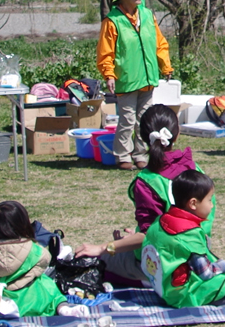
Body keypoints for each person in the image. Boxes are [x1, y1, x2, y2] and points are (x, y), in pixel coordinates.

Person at [72, 104, 200, 285]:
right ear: (176, 134)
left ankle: (153, 281)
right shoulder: (195, 169)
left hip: (164, 262)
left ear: (141, 137)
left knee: (97, 261)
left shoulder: (147, 181)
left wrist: (103, 248)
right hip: (198, 254)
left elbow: (147, 237)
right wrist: (137, 234)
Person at [97, 0, 174, 171]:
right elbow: (106, 52)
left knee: (144, 119)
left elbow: (160, 43)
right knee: (127, 119)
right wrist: (109, 75)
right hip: (127, 78)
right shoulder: (112, 21)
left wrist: (165, 66)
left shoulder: (147, 15)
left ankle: (141, 154)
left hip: (147, 78)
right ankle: (122, 155)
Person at [138, 169, 225, 307]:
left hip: (159, 284)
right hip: (178, 295)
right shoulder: (189, 234)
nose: (211, 205)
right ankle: (197, 302)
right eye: (209, 200)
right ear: (193, 203)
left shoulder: (161, 220)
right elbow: (206, 273)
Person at [0, 200, 64, 318]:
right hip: (29, 303)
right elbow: (45, 258)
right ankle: (63, 307)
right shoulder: (33, 249)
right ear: (22, 224)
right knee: (46, 283)